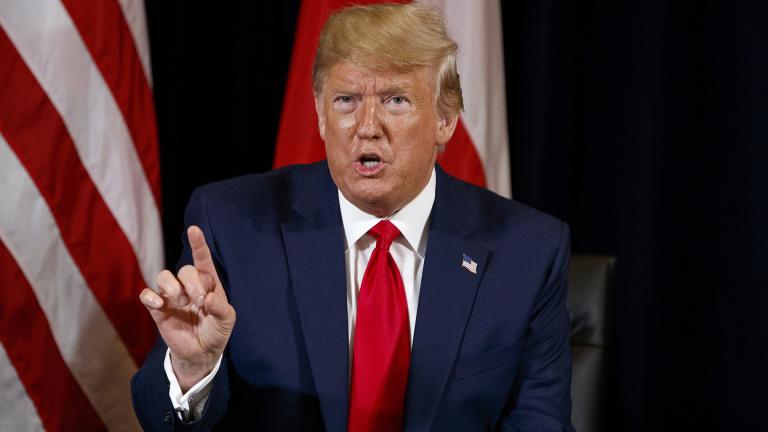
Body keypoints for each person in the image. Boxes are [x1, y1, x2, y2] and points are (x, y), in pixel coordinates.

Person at [131, 3, 574, 431]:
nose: (367, 125)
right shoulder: (232, 224)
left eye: (396, 100)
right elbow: (160, 419)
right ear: (322, 115)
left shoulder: (528, 250)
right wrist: (193, 369)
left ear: (446, 119)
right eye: (346, 100)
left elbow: (540, 420)